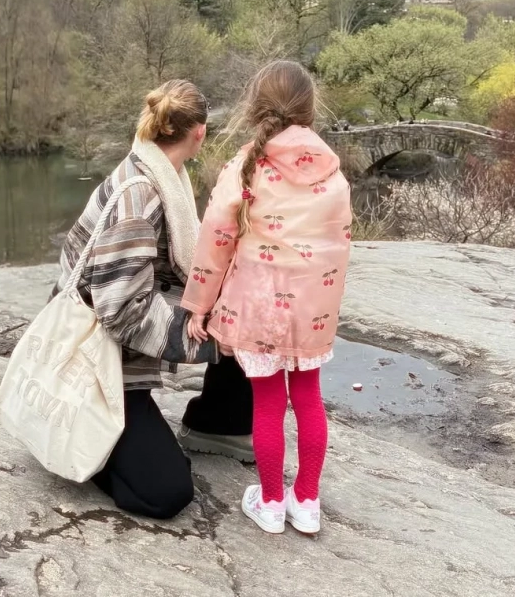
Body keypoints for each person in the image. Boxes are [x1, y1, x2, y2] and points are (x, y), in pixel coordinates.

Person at [52, 80, 252, 520]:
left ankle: (217, 425)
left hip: (119, 330)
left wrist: (223, 311)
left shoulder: (164, 172)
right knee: (168, 492)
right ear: (200, 133)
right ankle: (81, 439)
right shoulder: (138, 197)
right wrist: (198, 335)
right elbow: (119, 312)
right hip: (97, 359)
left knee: (243, 315)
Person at [183, 61, 352, 535]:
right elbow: (338, 243)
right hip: (311, 309)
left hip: (258, 306)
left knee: (268, 402)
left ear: (257, 106)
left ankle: (272, 502)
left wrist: (199, 303)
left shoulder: (247, 165)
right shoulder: (332, 171)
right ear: (310, 108)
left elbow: (216, 237)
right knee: (309, 397)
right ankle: (308, 501)